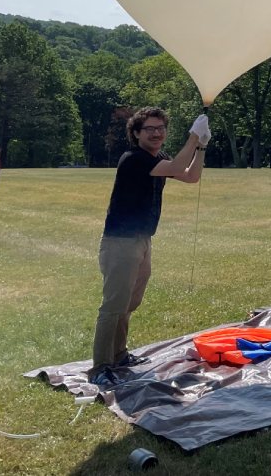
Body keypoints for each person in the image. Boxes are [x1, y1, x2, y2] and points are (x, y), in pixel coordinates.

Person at [89, 107, 210, 386]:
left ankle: (119, 355)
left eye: (160, 128)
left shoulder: (158, 158)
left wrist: (201, 146)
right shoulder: (134, 159)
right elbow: (180, 168)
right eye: (149, 129)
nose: (156, 133)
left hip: (143, 241)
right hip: (121, 243)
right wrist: (193, 137)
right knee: (113, 306)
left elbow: (190, 176)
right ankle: (100, 367)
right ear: (136, 133)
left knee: (130, 303)